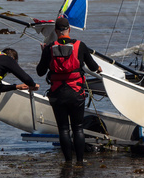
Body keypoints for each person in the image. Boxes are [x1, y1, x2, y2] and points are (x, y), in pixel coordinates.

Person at [37, 16, 102, 166]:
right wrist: (98, 68)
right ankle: (79, 161)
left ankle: (67, 162)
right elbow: (92, 67)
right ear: (69, 30)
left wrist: (44, 53)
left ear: (55, 31)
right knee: (78, 128)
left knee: (63, 129)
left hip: (57, 93)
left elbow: (40, 72)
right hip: (76, 93)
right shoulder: (80, 45)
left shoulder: (49, 47)